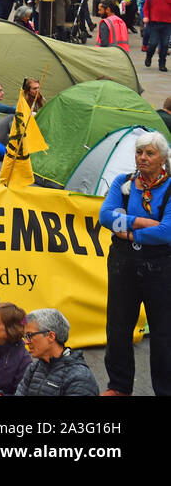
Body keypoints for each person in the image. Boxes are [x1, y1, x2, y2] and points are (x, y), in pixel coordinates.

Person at [99, 131, 171, 396]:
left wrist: (126, 228)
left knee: (164, 334)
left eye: (150, 153)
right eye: (139, 152)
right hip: (123, 263)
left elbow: (166, 232)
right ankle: (118, 386)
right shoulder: (123, 182)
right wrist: (141, 223)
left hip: (161, 267)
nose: (143, 158)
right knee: (117, 327)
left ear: (163, 158)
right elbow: (106, 216)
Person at [15, 308, 99, 396]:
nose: (26, 342)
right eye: (25, 336)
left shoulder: (79, 377)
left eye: (29, 335)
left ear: (51, 336)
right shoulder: (34, 368)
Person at [142, 0, 171, 71]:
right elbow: (146, 6)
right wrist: (146, 16)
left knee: (165, 44)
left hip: (167, 23)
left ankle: (162, 63)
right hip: (154, 22)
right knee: (153, 43)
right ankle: (149, 57)